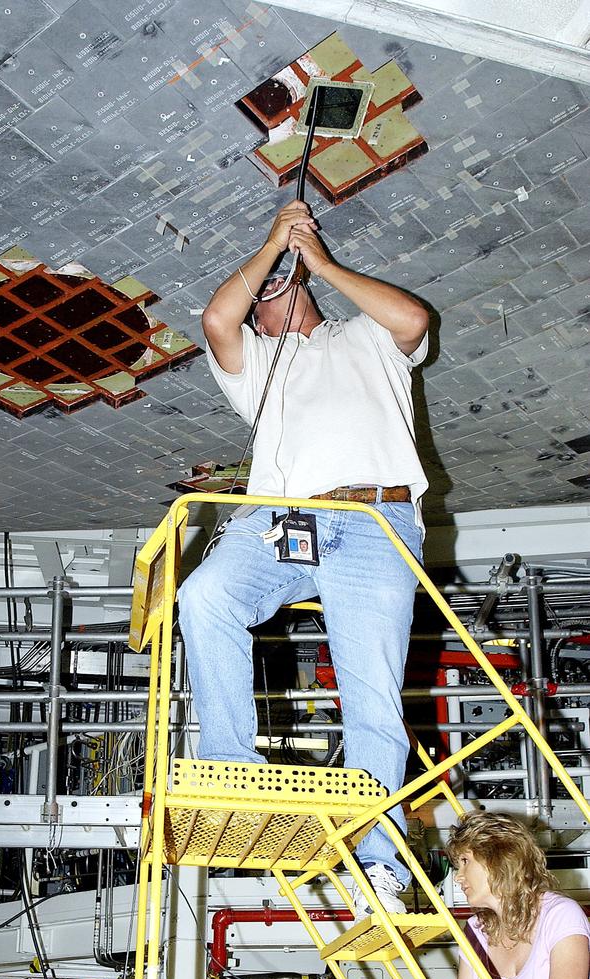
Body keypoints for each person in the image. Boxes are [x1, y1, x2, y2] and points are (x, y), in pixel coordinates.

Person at [177, 197, 430, 914]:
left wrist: (318, 260)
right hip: (285, 522)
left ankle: (379, 861)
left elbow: (414, 320)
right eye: (260, 300)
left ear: (304, 290)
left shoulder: (365, 338)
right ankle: (233, 767)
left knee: (372, 692)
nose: (264, 302)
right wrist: (268, 245)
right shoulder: (259, 363)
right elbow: (215, 322)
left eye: (276, 287)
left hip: (375, 519)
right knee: (205, 595)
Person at [363, 812, 590, 979]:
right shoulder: (477, 930)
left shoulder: (560, 914)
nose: (457, 877)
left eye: (464, 862)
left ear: (497, 858)